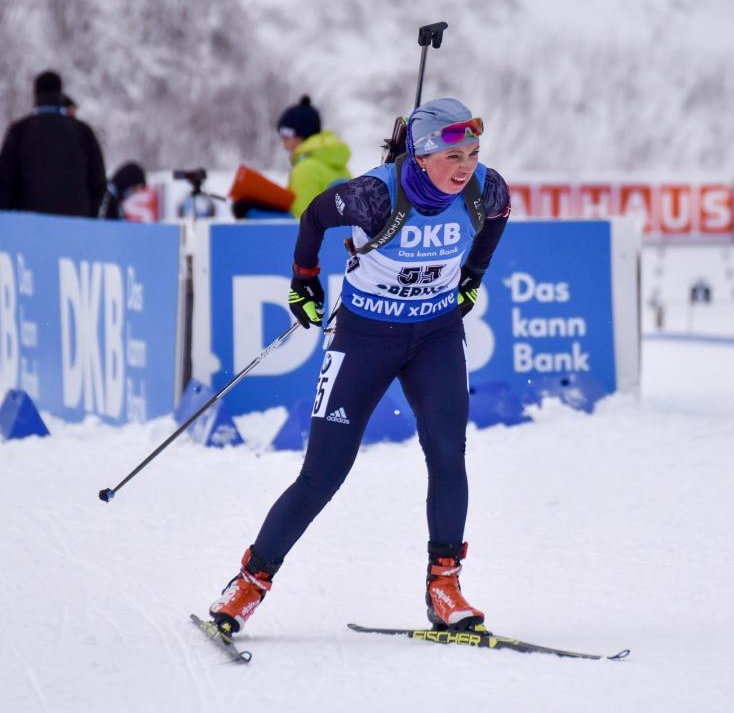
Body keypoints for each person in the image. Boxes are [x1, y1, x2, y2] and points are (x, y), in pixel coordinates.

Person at [207, 97, 511, 637]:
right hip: (365, 338)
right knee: (322, 475)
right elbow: (315, 215)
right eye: (453, 156)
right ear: (421, 156)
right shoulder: (375, 195)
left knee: (448, 454)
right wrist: (304, 280)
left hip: (436, 335)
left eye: (473, 153)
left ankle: (444, 586)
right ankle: (249, 583)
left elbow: (499, 215)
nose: (466, 166)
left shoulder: (485, 189)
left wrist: (473, 276)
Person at [0, 70, 106, 217]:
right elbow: (98, 181)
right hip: (75, 221)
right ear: (60, 93)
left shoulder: (19, 131)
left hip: (29, 222)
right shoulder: (83, 131)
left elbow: (5, 181)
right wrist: (88, 214)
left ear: (36, 94)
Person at [278, 95, 352, 218]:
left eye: (285, 138)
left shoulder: (305, 169)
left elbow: (301, 219)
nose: (284, 145)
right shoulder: (338, 164)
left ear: (300, 134)